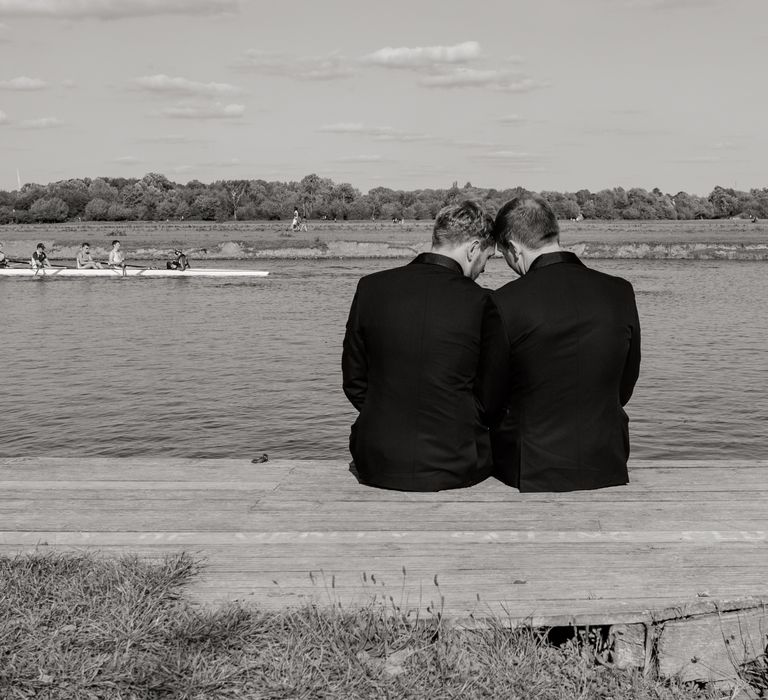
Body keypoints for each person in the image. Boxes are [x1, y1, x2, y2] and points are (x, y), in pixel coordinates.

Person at [342, 200, 506, 491]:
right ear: (472, 249)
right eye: (487, 258)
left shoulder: (371, 288)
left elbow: (354, 380)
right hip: (457, 460)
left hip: (377, 459)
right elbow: (492, 393)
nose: (483, 269)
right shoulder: (483, 302)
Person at [489, 194, 641, 492]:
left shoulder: (503, 302)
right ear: (554, 232)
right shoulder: (620, 292)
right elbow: (625, 385)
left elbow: (493, 397)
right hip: (607, 460)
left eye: (503, 255)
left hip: (527, 465)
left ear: (513, 248)